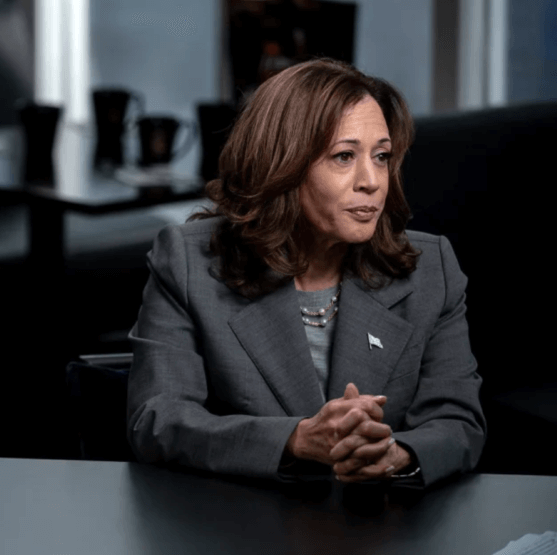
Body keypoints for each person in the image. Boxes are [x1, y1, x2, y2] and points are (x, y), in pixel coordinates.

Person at [127, 58, 486, 488]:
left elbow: (458, 421)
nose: (372, 181)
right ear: (283, 166)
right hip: (239, 526)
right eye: (343, 157)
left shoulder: (431, 269)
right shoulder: (189, 262)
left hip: (383, 530)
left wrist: (398, 455)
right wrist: (295, 440)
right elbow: (158, 419)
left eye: (382, 156)